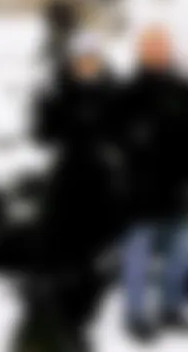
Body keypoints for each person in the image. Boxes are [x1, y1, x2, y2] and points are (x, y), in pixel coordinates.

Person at [11, 28, 125, 351]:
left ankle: (79, 324)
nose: (87, 65)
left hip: (102, 191)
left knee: (95, 269)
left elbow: (124, 132)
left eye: (92, 59)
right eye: (81, 60)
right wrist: (45, 99)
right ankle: (56, 327)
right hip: (67, 189)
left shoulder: (112, 93)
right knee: (60, 264)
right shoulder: (61, 92)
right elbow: (43, 131)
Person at [116, 25, 188, 341]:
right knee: (138, 261)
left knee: (178, 259)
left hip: (177, 192)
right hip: (139, 194)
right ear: (141, 52)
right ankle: (134, 315)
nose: (157, 52)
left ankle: (170, 309)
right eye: (151, 47)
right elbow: (112, 139)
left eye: (162, 47)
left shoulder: (181, 88)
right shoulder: (128, 91)